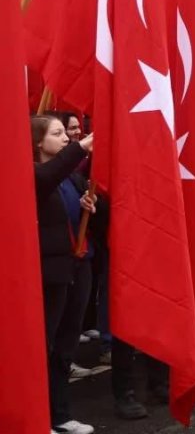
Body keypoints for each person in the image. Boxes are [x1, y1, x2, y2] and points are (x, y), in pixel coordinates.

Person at [33, 115, 98, 434]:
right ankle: (38, 417)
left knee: (66, 345)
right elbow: (43, 179)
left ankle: (61, 414)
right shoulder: (33, 174)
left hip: (79, 267)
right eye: (57, 134)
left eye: (65, 133)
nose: (65, 138)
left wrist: (89, 203)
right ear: (37, 142)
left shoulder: (70, 179)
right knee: (45, 346)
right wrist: (82, 147)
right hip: (51, 273)